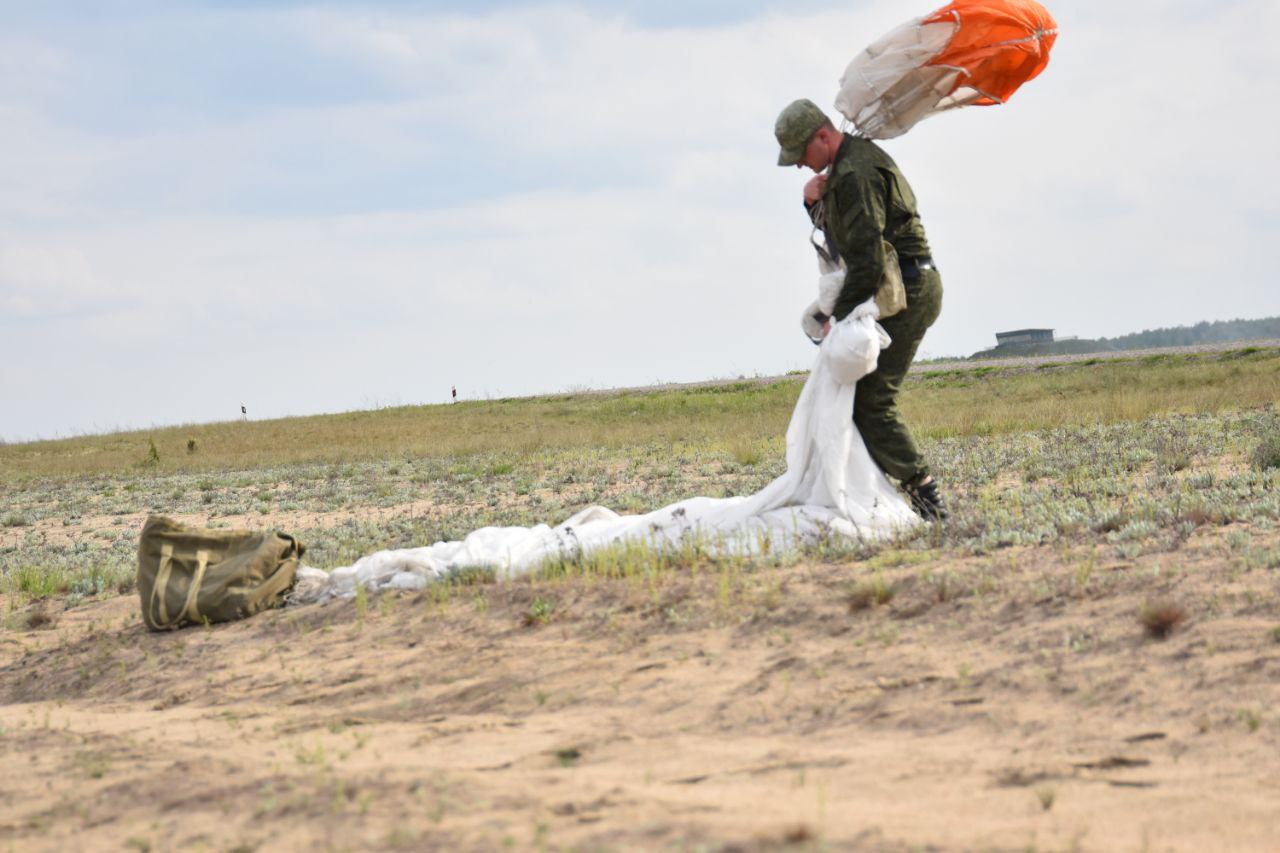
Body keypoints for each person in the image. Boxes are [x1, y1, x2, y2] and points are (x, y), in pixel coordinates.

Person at [774, 98, 947, 520]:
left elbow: (866, 259)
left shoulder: (855, 172)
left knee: (871, 403)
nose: (800, 165)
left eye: (801, 155)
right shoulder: (850, 165)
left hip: (903, 289)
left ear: (822, 136)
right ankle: (883, 495)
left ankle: (928, 501)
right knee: (859, 399)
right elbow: (849, 239)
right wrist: (813, 203)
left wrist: (837, 319)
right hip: (899, 285)